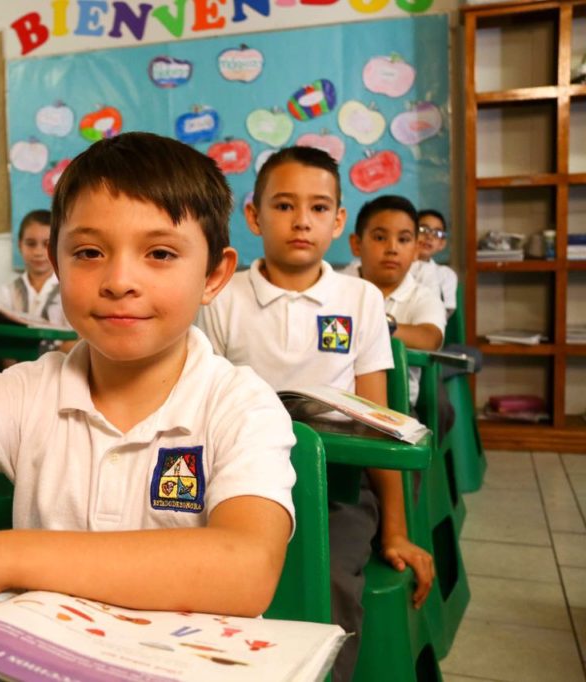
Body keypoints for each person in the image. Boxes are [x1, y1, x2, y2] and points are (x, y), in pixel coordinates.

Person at [0, 132, 298, 621]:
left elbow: (246, 569)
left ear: (214, 276)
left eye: (161, 254)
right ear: (58, 264)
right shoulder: (28, 392)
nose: (119, 281)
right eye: (88, 252)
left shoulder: (240, 404)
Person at [196, 147, 434, 682]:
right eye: (283, 206)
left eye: (319, 208)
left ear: (338, 221)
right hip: (235, 477)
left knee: (327, 583)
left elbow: (381, 421)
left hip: (337, 486)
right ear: (254, 217)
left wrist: (395, 530)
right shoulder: (220, 295)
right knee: (210, 575)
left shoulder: (361, 299)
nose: (302, 220)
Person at [347, 195, 446, 406]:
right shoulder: (336, 285)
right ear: (356, 244)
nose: (392, 248)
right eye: (380, 238)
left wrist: (374, 326)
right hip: (334, 404)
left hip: (401, 409)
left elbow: (430, 338)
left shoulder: (423, 296)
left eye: (403, 240)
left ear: (416, 249)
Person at [0, 209, 67, 327]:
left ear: (59, 246)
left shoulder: (70, 291)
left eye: (47, 244)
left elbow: (78, 339)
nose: (38, 252)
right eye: (31, 244)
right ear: (19, 245)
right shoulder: (6, 292)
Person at [411, 209, 458, 316]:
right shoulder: (395, 267)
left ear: (442, 244)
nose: (429, 237)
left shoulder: (446, 274)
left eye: (437, 233)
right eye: (423, 229)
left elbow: (447, 310)